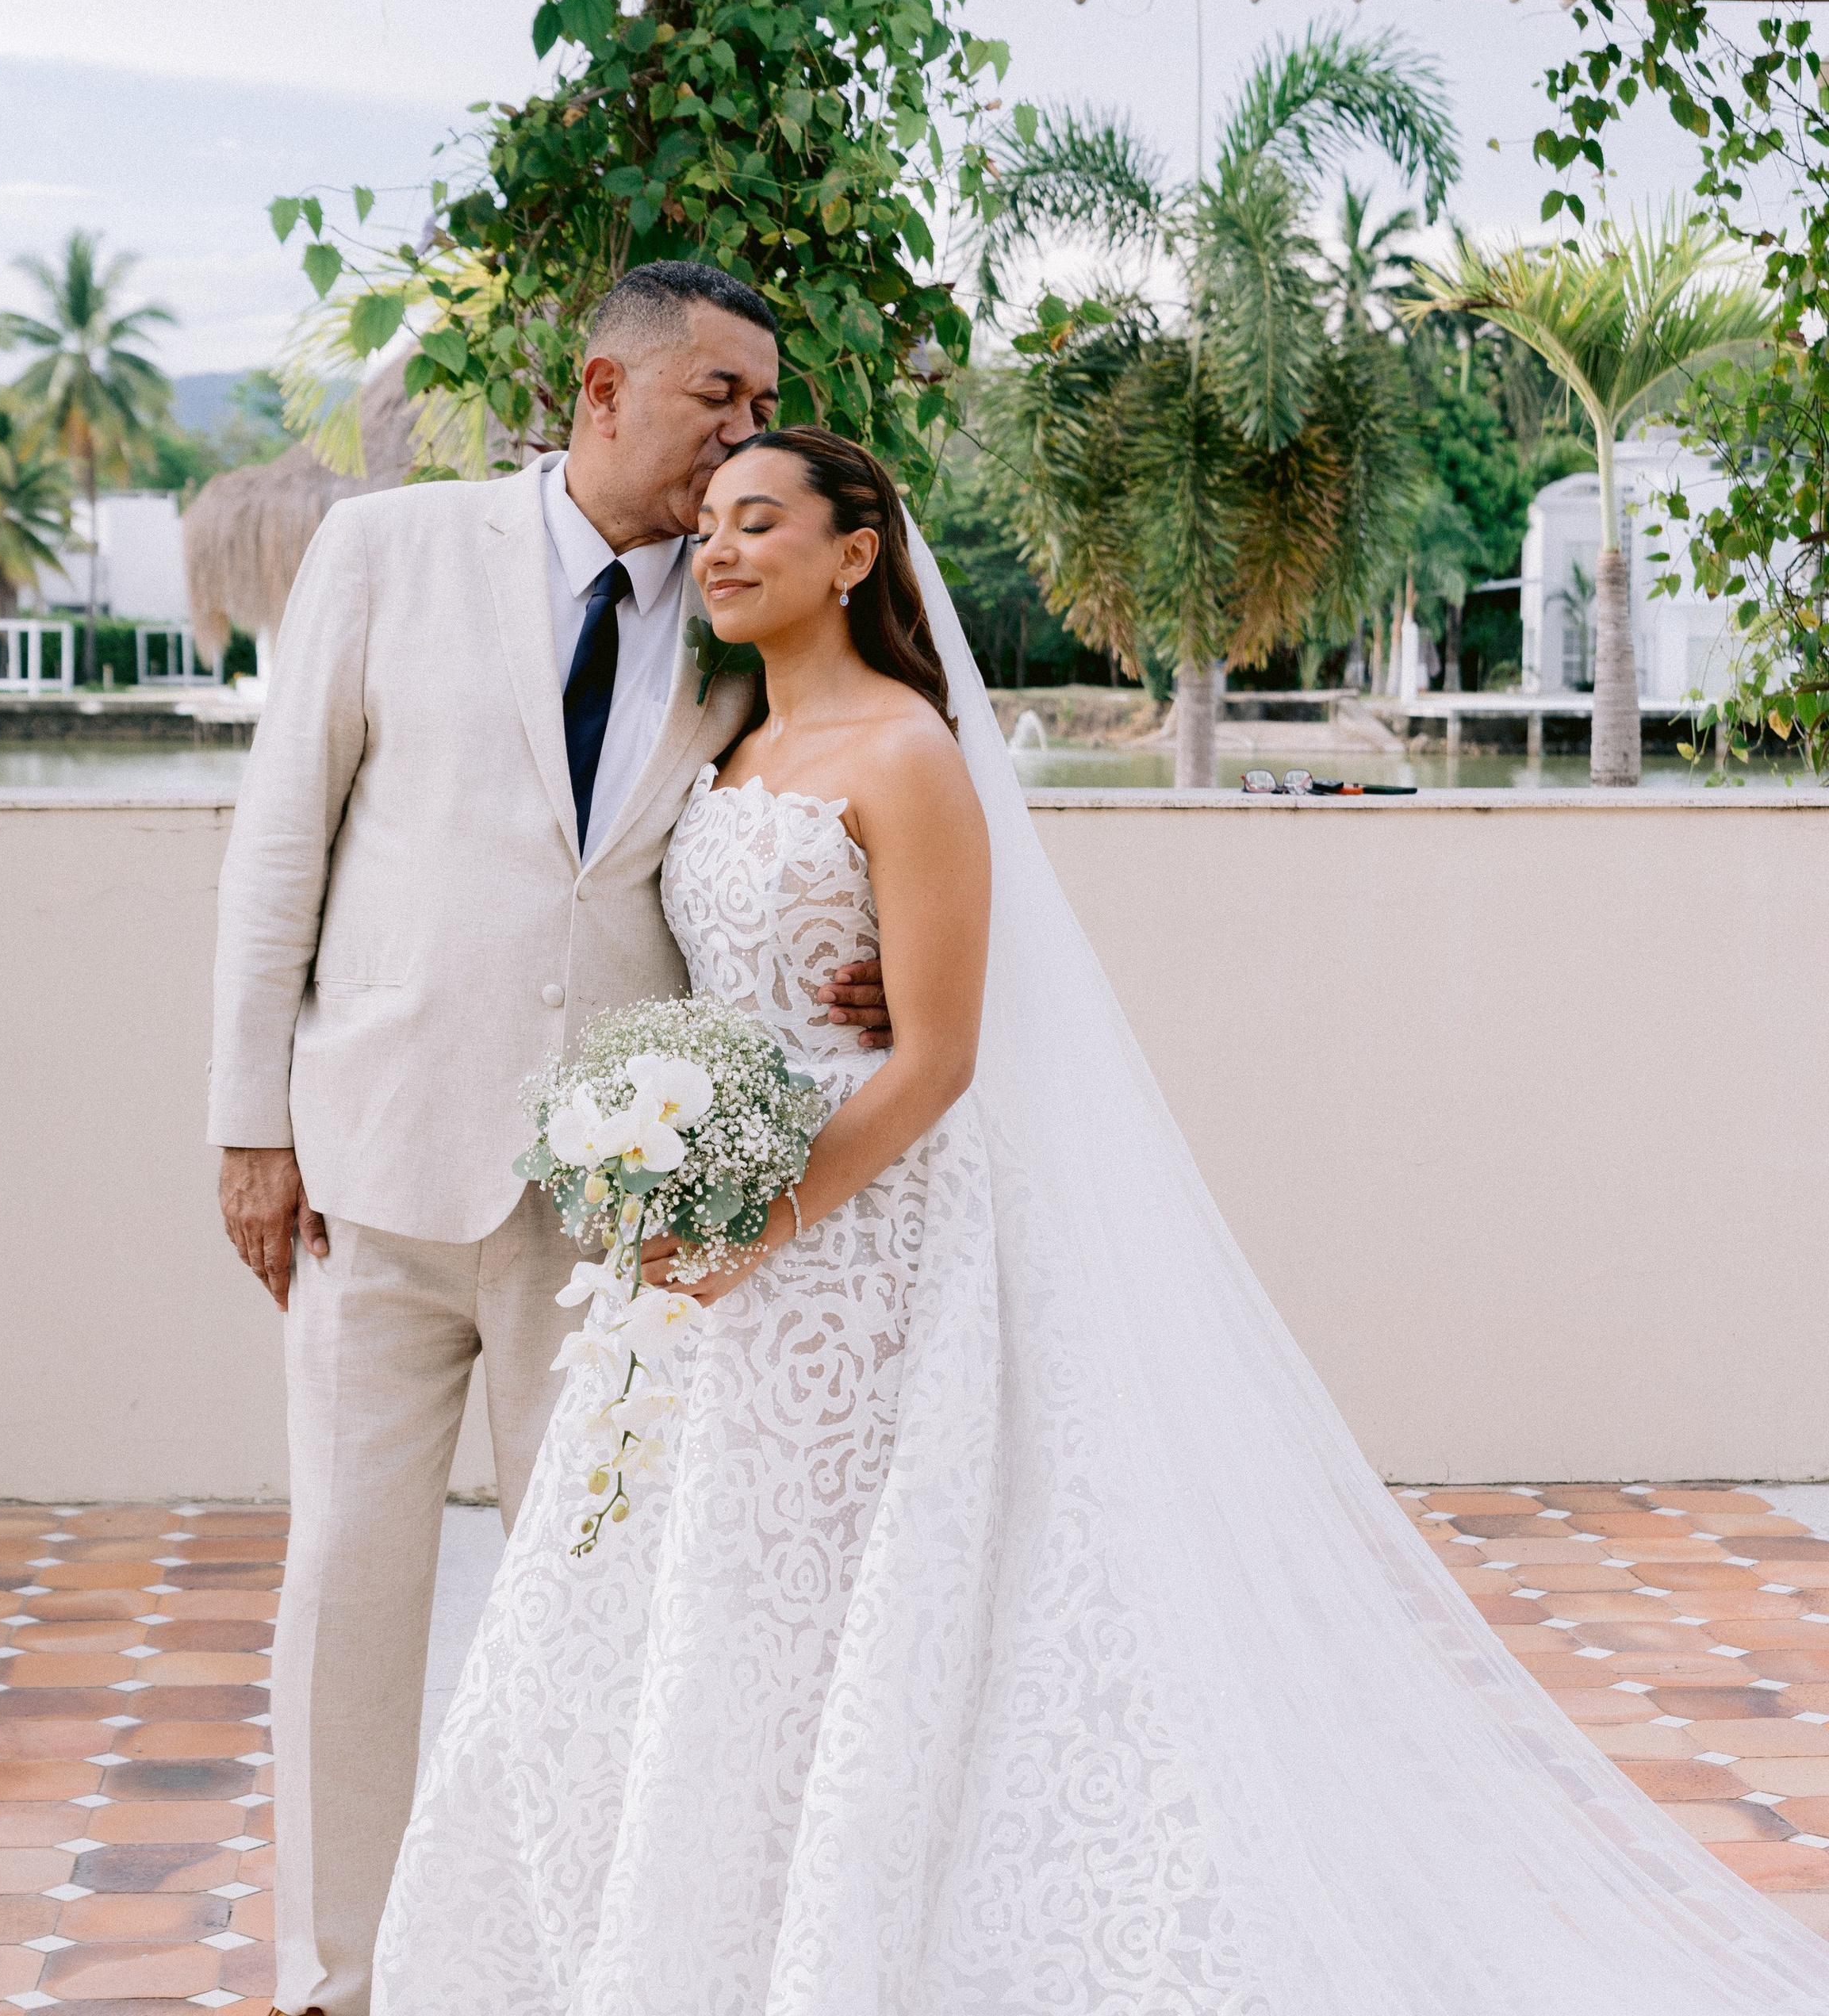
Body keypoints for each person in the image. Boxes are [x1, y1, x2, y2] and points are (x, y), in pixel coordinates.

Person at [373, 427, 1829, 2014]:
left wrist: (753, 1226)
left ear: (853, 554)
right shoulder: (719, 746)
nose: (715, 550)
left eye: (755, 523)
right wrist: (654, 1167)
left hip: (851, 1251)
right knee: (716, 1603)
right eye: (706, 525)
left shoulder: (905, 755)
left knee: (843, 1602)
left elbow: (934, 1057)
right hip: (705, 1256)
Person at [206, 267, 888, 2016]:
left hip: (611, 1211)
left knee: (589, 1598)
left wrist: (862, 953)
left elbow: (832, 782)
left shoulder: (742, 612)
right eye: (718, 394)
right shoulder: (388, 550)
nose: (746, 430)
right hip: (368, 1161)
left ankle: (564, 1954)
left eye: (763, 405)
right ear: (604, 384)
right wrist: (248, 1125)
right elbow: (279, 844)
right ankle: (332, 1972)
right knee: (347, 1579)